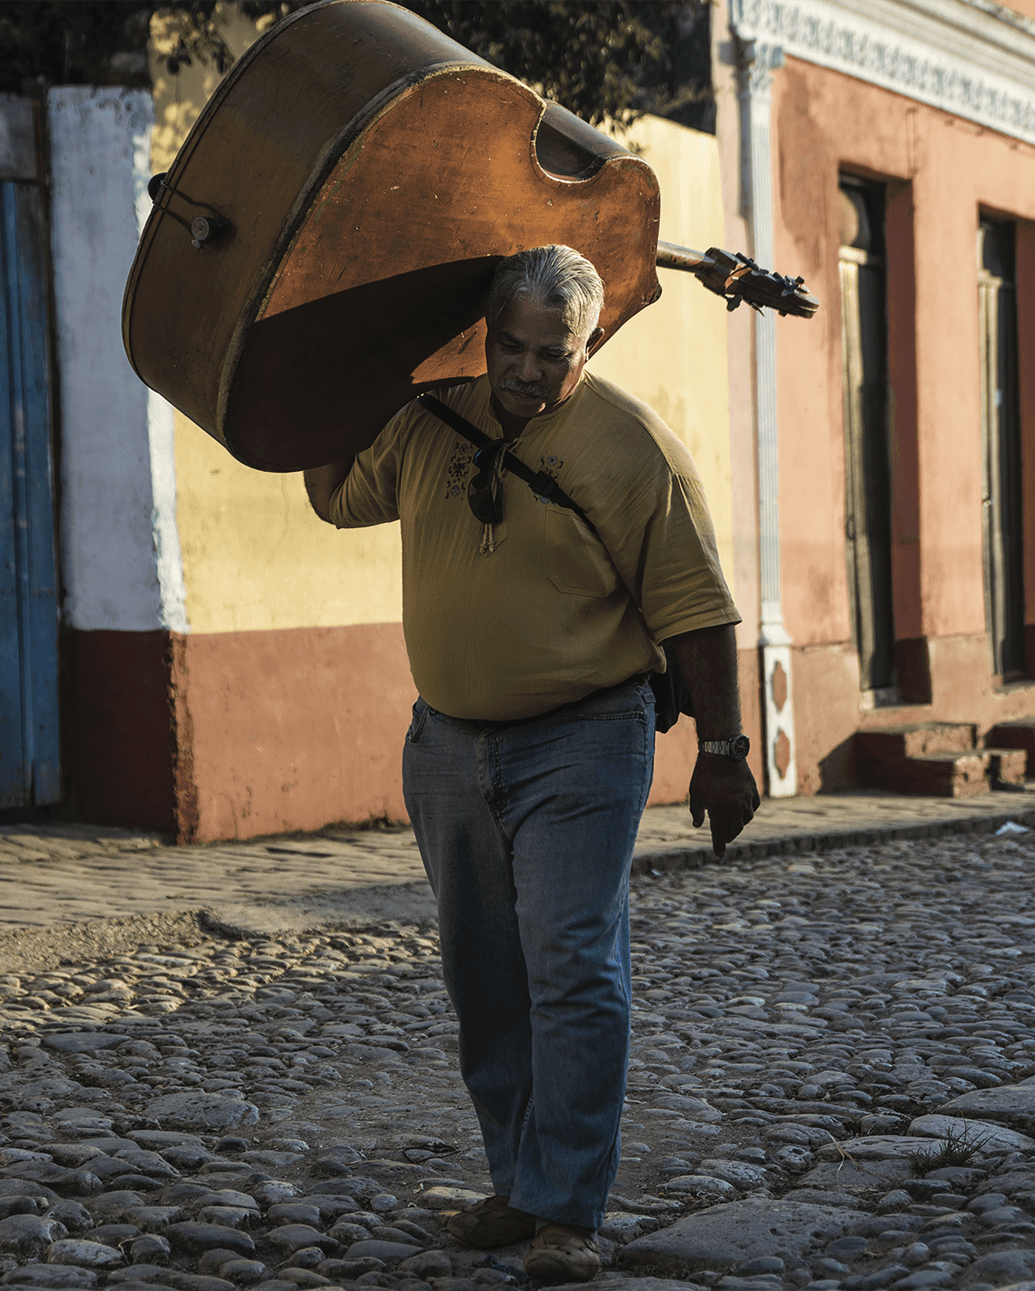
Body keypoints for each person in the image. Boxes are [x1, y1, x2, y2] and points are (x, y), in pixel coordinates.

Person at [303, 244, 759, 1283]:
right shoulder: (431, 419)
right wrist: (316, 395)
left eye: (548, 355)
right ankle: (518, 1185)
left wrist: (723, 753)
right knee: (485, 975)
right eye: (509, 347)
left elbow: (699, 614)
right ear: (488, 336)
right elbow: (337, 498)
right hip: (447, 747)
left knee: (571, 965)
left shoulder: (636, 451)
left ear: (587, 344)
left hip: (586, 738)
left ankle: (567, 1208)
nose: (523, 371)